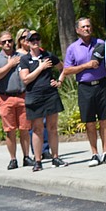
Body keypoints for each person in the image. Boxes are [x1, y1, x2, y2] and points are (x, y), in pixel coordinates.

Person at [62, 18, 106, 166]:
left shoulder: (101, 44)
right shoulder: (73, 48)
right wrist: (86, 65)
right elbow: (67, 69)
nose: (86, 28)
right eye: (83, 27)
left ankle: (105, 152)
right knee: (90, 122)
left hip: (102, 85)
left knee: (104, 120)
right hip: (85, 87)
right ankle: (94, 154)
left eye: (88, 26)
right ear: (77, 30)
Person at [18, 30, 68, 171]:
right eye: (32, 39)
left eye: (37, 38)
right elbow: (26, 79)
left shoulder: (48, 56)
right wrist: (41, 67)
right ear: (27, 42)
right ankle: (38, 161)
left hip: (50, 95)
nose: (35, 41)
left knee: (52, 127)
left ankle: (55, 157)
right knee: (38, 129)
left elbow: (63, 68)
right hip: (34, 96)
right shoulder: (24, 59)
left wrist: (59, 81)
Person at [0, 30, 32, 169]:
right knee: (10, 130)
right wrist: (10, 65)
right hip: (6, 98)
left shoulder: (21, 56)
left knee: (24, 129)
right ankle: (13, 159)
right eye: (4, 41)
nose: (7, 43)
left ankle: (27, 157)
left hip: (22, 96)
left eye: (9, 40)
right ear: (0, 44)